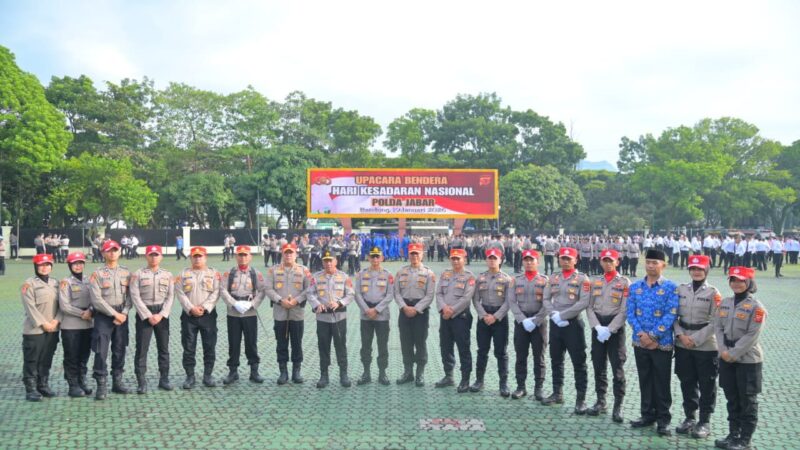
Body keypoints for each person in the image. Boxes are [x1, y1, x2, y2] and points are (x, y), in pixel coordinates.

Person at [626, 249, 679, 436]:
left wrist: (653, 336)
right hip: (640, 342)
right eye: (648, 262)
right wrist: (642, 335)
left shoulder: (671, 287)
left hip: (661, 343)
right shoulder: (635, 287)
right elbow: (630, 313)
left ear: (663, 265)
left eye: (655, 262)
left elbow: (671, 314)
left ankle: (663, 419)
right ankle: (647, 415)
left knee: (662, 382)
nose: (650, 265)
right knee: (645, 379)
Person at [713, 267, 766, 450]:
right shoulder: (725, 303)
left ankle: (745, 439)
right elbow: (718, 327)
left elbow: (752, 335)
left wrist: (733, 353)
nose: (736, 283)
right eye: (733, 280)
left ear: (749, 283)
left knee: (748, 401)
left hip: (748, 360)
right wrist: (723, 350)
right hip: (726, 356)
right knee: (732, 398)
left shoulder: (756, 307)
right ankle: (733, 434)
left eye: (741, 280)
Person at [673, 255, 721, 439]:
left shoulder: (713, 293)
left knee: (707, 383)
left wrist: (696, 339)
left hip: (705, 345)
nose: (696, 271)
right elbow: (673, 315)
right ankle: (689, 418)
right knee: (687, 381)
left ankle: (704, 421)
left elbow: (716, 321)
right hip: (683, 342)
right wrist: (680, 335)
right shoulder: (681, 289)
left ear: (706, 270)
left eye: (700, 269)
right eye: (693, 268)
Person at [541, 247, 591, 414]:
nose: (566, 261)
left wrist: (563, 315)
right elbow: (546, 298)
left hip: (573, 325)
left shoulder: (583, 279)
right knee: (556, 360)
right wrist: (553, 314)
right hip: (555, 323)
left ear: (576, 260)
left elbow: (583, 302)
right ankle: (557, 393)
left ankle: (581, 399)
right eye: (563, 258)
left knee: (579, 363)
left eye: (569, 258)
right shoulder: (553, 277)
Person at [586, 249, 631, 422]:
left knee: (617, 367)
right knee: (598, 365)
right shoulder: (595, 281)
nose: (608, 264)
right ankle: (601, 401)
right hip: (597, 327)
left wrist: (610, 329)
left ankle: (618, 405)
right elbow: (589, 306)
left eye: (611, 261)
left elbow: (624, 309)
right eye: (605, 260)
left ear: (617, 262)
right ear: (601, 262)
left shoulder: (625, 282)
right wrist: (597, 327)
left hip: (615, 329)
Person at [88, 240, 133, 400]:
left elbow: (130, 296)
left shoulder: (126, 272)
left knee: (120, 348)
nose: (112, 253)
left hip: (122, 315)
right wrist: (115, 314)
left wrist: (125, 312)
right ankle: (101, 384)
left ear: (119, 252)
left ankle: (117, 381)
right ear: (103, 253)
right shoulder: (97, 274)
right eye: (108, 251)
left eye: (115, 250)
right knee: (101, 351)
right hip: (104, 316)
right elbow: (96, 300)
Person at [130, 245, 175, 393]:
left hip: (161, 314)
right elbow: (135, 296)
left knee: (163, 348)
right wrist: (148, 315)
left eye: (156, 255)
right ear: (146, 256)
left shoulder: (168, 275)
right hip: (145, 314)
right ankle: (141, 381)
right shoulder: (138, 274)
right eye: (151, 255)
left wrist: (162, 314)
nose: (154, 257)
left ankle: (164, 379)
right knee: (142, 349)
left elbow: (170, 296)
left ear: (161, 257)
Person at [219, 245, 267, 385]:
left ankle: (254, 371)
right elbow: (223, 290)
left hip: (249, 312)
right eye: (240, 255)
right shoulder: (229, 273)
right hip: (233, 312)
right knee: (233, 343)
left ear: (250, 257)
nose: (243, 257)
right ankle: (233, 372)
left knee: (251, 342)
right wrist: (234, 303)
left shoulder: (255, 273)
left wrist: (252, 304)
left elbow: (262, 291)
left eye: (245, 255)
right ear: (236, 256)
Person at [307, 250, 354, 388]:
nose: (328, 263)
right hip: (322, 318)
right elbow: (310, 293)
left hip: (339, 317)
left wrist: (339, 303)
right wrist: (317, 304)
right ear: (322, 262)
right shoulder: (316, 277)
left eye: (330, 260)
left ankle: (343, 375)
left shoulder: (344, 277)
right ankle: (324, 375)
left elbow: (350, 294)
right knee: (323, 347)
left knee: (341, 346)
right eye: (325, 260)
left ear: (336, 261)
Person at [175, 246, 221, 389]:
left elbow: (217, 292)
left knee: (209, 346)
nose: (197, 259)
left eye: (200, 256)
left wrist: (204, 307)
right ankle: (190, 376)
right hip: (189, 316)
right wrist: (191, 308)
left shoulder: (213, 274)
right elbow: (180, 293)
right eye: (195, 256)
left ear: (205, 257)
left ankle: (208, 375)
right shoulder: (183, 274)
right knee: (188, 347)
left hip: (208, 315)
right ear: (190, 258)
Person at [265, 243, 311, 384]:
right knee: (281, 343)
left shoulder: (304, 270)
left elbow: (309, 289)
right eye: (286, 252)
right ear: (282, 254)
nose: (289, 255)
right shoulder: (273, 270)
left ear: (296, 254)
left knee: (297, 342)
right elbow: (268, 289)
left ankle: (296, 371)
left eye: (291, 252)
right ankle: (283, 372)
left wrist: (297, 300)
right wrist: (280, 300)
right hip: (280, 313)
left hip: (297, 313)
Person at [506, 249, 549, 400]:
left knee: (539, 356)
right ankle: (521, 387)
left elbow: (548, 303)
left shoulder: (545, 281)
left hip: (539, 323)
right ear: (523, 262)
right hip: (521, 322)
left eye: (532, 260)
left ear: (538, 262)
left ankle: (538, 388)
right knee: (521, 355)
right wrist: (522, 319)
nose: (529, 263)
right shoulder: (515, 280)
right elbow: (511, 301)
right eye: (526, 260)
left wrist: (536, 320)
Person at [470, 247, 513, 396]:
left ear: (500, 260)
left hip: (499, 318)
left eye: (495, 258)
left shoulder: (507, 279)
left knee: (501, 352)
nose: (492, 260)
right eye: (489, 258)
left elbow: (509, 302)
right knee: (482, 350)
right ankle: (479, 381)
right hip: (483, 317)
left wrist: (495, 317)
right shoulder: (480, 278)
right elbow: (475, 299)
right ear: (486, 260)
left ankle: (503, 384)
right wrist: (483, 315)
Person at [434, 248, 476, 393]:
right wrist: (443, 308)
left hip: (460, 317)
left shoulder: (469, 277)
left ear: (464, 259)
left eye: (458, 258)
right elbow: (438, 293)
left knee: (463, 348)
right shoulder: (445, 274)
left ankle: (465, 380)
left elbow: (466, 298)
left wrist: (451, 311)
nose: (456, 261)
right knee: (445, 346)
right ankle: (449, 376)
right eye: (453, 258)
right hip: (444, 316)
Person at [21, 253, 62, 401]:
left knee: (46, 358)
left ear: (51, 266)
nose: (44, 268)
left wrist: (56, 321)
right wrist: (44, 323)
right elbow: (30, 307)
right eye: (41, 265)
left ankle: (42, 384)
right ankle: (31, 388)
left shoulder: (56, 283)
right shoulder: (29, 284)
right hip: (35, 330)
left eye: (47, 265)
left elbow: (62, 306)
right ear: (35, 266)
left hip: (53, 328)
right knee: (32, 359)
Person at [394, 242, 436, 387]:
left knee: (420, 342)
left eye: (417, 253)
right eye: (412, 253)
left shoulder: (428, 273)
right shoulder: (401, 272)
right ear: (408, 255)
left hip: (421, 312)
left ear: (422, 254)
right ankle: (408, 372)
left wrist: (416, 309)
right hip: (404, 310)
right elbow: (396, 292)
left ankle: (420, 374)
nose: (414, 256)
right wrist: (404, 307)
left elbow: (430, 295)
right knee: (405, 343)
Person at [353, 246, 394, 385]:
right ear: (369, 258)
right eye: (373, 256)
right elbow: (357, 293)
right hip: (366, 315)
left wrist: (376, 309)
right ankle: (366, 373)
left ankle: (382, 373)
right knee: (365, 345)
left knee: (382, 345)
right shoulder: (361, 274)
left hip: (381, 315)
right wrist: (366, 309)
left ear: (382, 258)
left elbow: (390, 295)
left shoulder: (388, 275)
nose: (375, 259)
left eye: (378, 256)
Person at [58, 252, 94, 397]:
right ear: (70, 265)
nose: (78, 266)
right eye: (75, 263)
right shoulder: (65, 282)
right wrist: (82, 313)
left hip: (87, 325)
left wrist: (91, 310)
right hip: (71, 326)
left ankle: (81, 381)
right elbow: (64, 306)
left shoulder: (89, 280)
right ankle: (73, 385)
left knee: (84, 356)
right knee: (71, 356)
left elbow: (95, 299)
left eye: (80, 263)